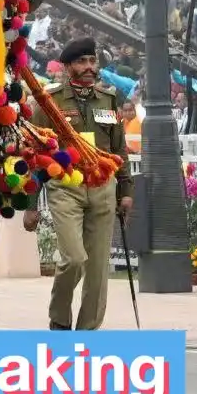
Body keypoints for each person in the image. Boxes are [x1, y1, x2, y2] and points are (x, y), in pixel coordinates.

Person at [25, 37, 133, 330]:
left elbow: (118, 149)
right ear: (68, 66)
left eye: (92, 61)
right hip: (65, 188)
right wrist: (31, 205)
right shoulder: (49, 101)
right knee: (73, 259)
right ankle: (59, 321)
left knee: (98, 269)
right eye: (82, 62)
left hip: (103, 188)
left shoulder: (108, 99)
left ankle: (88, 333)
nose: (89, 67)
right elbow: (35, 153)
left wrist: (125, 191)